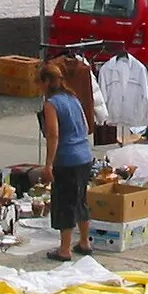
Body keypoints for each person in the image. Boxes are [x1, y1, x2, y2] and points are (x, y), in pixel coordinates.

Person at [39, 62, 93, 262]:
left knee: (65, 202)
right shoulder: (73, 97)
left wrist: (49, 165)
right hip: (84, 155)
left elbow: (53, 135)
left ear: (46, 82)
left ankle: (64, 249)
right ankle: (85, 242)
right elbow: (86, 125)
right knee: (81, 199)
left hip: (67, 159)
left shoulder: (51, 104)